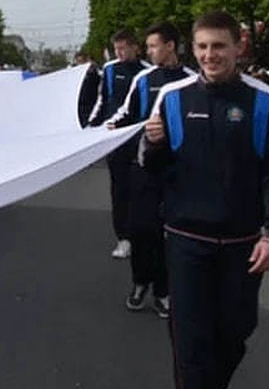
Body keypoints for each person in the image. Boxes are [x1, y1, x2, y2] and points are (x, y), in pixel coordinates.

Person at [141, 11, 269, 389]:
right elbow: (151, 166)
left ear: (238, 47)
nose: (211, 55)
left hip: (243, 245)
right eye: (203, 47)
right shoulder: (172, 98)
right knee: (190, 340)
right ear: (193, 50)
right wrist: (153, 144)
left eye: (219, 46)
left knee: (235, 332)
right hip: (186, 240)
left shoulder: (265, 99)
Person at [106, 22, 196, 318]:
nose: (149, 51)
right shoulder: (144, 79)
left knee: (169, 233)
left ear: (170, 46)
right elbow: (126, 113)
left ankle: (163, 291)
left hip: (177, 171)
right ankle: (139, 281)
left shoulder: (192, 80)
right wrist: (106, 128)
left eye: (154, 45)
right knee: (141, 229)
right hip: (144, 166)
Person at [89, 29, 151, 259]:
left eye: (124, 47)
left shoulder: (146, 72)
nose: (119, 52)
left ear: (136, 47)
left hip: (139, 138)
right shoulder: (110, 69)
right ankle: (123, 237)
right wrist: (92, 126)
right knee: (119, 189)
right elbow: (102, 99)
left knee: (142, 189)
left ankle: (144, 234)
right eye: (116, 48)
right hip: (115, 137)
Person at [75, 51, 102, 127]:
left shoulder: (95, 75)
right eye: (79, 62)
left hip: (92, 106)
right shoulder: (75, 78)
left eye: (83, 62)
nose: (81, 65)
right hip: (80, 108)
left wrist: (92, 69)